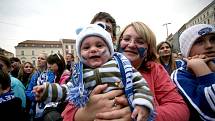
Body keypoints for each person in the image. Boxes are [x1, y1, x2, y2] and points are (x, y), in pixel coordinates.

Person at [34, 24, 155, 121]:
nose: (93, 49)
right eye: (86, 48)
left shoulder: (121, 66)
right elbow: (68, 90)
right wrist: (47, 90)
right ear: (80, 55)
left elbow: (140, 84)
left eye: (99, 45)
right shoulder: (81, 74)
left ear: (110, 50)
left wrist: (142, 105)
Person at [115, 21, 190, 121]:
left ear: (148, 49)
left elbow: (181, 110)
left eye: (140, 42)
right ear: (119, 42)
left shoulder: (155, 70)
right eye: (126, 39)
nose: (132, 44)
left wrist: (147, 115)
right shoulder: (99, 65)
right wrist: (87, 113)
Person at [171, 24, 215, 120]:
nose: (209, 45)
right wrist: (202, 69)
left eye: (213, 39)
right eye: (199, 41)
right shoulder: (180, 76)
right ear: (187, 51)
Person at [26, 53, 55, 121]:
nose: (39, 60)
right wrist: (36, 97)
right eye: (38, 58)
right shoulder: (35, 75)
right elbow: (28, 91)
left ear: (47, 62)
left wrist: (41, 95)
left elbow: (49, 89)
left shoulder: (51, 74)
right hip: (35, 107)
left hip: (48, 107)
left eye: (42, 59)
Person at [42, 53, 71, 121]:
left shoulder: (66, 76)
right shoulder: (58, 75)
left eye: (51, 63)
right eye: (48, 63)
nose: (48, 66)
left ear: (59, 63)